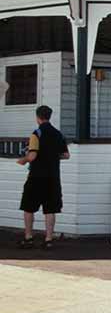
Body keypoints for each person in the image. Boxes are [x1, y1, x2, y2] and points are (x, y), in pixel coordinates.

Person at [16, 105, 69, 249]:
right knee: (50, 209)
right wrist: (52, 156)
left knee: (28, 207)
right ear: (49, 116)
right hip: (53, 177)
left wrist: (23, 160)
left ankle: (28, 238)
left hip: (36, 176)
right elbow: (66, 155)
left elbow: (32, 156)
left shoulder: (36, 133)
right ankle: (48, 239)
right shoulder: (58, 134)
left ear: (38, 117)